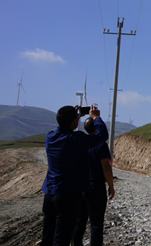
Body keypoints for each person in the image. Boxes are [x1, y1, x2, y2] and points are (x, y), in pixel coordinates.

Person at [41, 104, 108, 246]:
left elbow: (63, 123)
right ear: (73, 122)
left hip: (49, 194)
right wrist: (95, 117)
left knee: (47, 237)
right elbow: (102, 135)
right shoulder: (76, 139)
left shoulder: (50, 137)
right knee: (61, 239)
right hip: (67, 196)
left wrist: (72, 115)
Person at [71, 117, 115, 246]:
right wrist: (111, 186)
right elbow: (106, 168)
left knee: (79, 221)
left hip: (79, 187)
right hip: (95, 187)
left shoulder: (79, 143)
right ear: (97, 128)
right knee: (96, 224)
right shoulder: (100, 144)